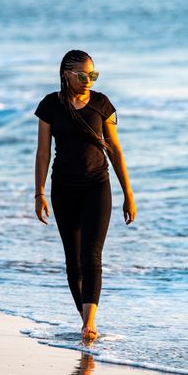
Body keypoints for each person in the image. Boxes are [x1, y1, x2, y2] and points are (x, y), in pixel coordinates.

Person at [34, 50, 136, 342]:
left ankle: (89, 323)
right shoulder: (50, 105)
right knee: (73, 260)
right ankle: (85, 319)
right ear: (66, 74)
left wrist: (128, 193)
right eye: (81, 75)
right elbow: (43, 153)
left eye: (92, 75)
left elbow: (115, 150)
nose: (87, 80)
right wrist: (39, 191)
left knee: (92, 255)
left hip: (97, 186)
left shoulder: (103, 104)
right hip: (63, 188)